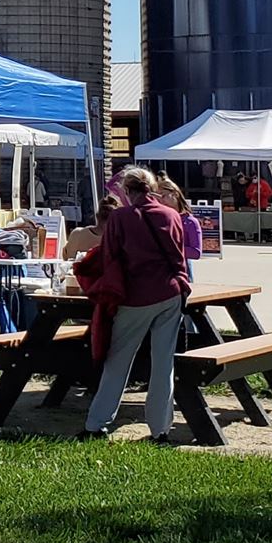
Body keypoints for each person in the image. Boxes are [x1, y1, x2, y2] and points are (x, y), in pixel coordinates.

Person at [76, 167, 192, 442]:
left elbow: (111, 256)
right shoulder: (171, 215)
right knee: (164, 365)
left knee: (118, 361)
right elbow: (179, 255)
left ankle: (97, 423)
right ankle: (161, 430)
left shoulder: (120, 218)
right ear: (151, 189)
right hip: (170, 293)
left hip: (135, 296)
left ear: (127, 191)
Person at [156, 177, 203, 266]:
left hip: (182, 270)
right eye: (158, 198)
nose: (161, 201)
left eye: (163, 196)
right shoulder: (159, 220)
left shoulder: (190, 221)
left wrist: (169, 248)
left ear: (175, 194)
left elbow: (196, 252)